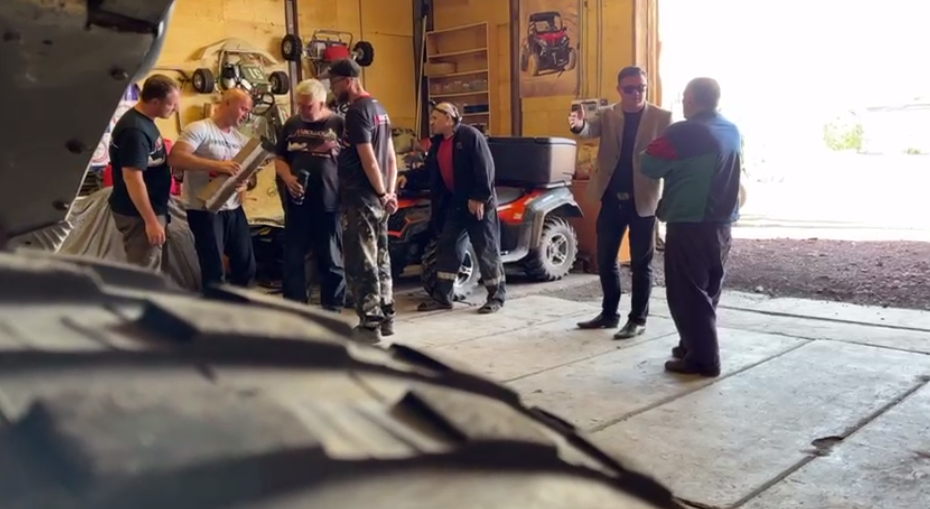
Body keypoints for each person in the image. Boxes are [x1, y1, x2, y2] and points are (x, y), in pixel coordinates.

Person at [640, 77, 742, 377]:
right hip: (722, 222)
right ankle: (692, 344)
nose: (683, 102)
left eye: (685, 97)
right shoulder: (731, 130)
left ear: (692, 99)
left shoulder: (685, 132)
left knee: (687, 292)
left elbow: (649, 164)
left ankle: (704, 359)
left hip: (689, 221)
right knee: (708, 288)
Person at [569, 67, 673, 339]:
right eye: (630, 89)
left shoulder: (663, 118)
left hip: (644, 200)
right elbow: (587, 130)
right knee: (605, 260)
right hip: (611, 199)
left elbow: (673, 156)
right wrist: (578, 125)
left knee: (641, 264)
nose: (636, 93)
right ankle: (609, 314)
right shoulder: (608, 114)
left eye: (641, 88)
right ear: (619, 90)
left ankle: (638, 319)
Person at [328, 58, 398, 344]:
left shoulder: (357, 112)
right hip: (379, 199)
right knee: (381, 257)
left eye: (334, 83)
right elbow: (391, 158)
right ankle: (387, 316)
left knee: (361, 261)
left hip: (362, 198)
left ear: (348, 81)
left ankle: (370, 325)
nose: (333, 90)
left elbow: (369, 159)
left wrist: (381, 193)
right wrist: (389, 193)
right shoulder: (380, 109)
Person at [416, 102, 506, 314]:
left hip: (477, 204)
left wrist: (479, 198)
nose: (431, 122)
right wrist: (407, 178)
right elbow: (429, 172)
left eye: (435, 118)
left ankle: (496, 297)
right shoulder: (438, 143)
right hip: (455, 205)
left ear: (448, 119)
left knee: (486, 248)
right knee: (447, 247)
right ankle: (443, 297)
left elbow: (485, 168)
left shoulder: (470, 136)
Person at [168, 88, 256, 291]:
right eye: (243, 109)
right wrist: (217, 165)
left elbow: (252, 177)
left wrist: (246, 183)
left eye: (248, 111)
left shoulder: (240, 139)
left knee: (246, 265)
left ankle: (243, 305)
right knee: (214, 269)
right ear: (227, 103)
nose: (246, 115)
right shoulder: (200, 129)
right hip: (204, 209)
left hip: (233, 208)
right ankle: (215, 307)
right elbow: (176, 158)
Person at [274, 78, 347, 311]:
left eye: (308, 106)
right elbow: (279, 158)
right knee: (294, 258)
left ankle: (332, 308)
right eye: (300, 105)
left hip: (329, 202)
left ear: (322, 103)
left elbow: (351, 162)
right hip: (297, 203)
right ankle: (295, 307)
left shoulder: (339, 124)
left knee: (331, 258)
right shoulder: (292, 124)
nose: (303, 111)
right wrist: (288, 178)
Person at [107, 74, 181, 270]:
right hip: (138, 214)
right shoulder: (135, 131)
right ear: (154, 101)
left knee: (151, 266)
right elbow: (132, 178)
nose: (176, 109)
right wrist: (151, 221)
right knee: (144, 270)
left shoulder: (145, 121)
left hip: (150, 209)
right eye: (171, 105)